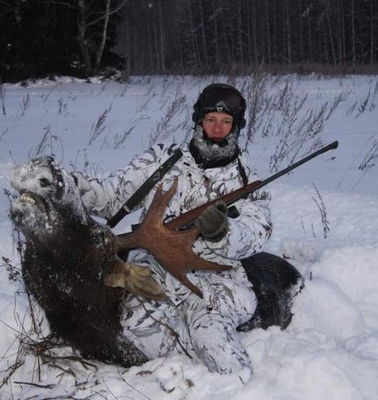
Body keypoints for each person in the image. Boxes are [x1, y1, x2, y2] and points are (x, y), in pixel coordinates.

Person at [37, 83, 272, 377]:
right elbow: (110, 195)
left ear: (236, 126)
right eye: (211, 119)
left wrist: (222, 234)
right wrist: (64, 186)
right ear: (198, 119)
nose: (217, 128)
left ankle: (239, 387)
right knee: (130, 326)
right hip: (154, 270)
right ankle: (179, 368)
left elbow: (257, 232)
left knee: (210, 339)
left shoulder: (248, 181)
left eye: (226, 122)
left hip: (216, 281)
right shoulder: (163, 160)